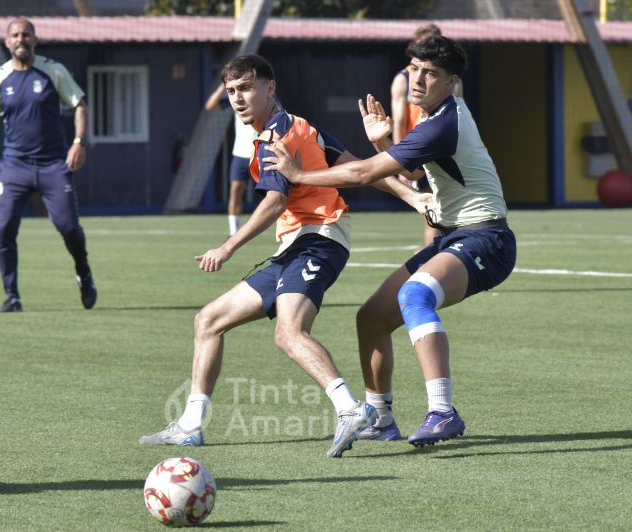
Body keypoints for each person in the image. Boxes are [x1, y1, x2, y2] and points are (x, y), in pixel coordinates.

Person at [139, 54, 430, 458]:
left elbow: (275, 201)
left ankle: (350, 410)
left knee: (288, 332)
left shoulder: (277, 136)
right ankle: (190, 426)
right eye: (231, 91)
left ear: (269, 88)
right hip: (296, 245)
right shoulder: (300, 126)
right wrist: (412, 196)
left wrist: (228, 246)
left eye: (246, 88)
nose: (238, 98)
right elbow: (360, 168)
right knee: (208, 321)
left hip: (319, 238)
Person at [264, 36, 516, 447]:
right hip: (456, 237)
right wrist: (382, 142)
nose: (417, 79)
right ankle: (379, 417)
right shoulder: (436, 117)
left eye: (430, 73)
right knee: (371, 319)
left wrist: (299, 175)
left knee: (415, 295)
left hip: (487, 239)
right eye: (413, 69)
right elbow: (413, 176)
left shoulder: (442, 122)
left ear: (451, 82)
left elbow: (363, 175)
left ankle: (443, 411)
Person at [0, 18, 96, 313]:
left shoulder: (53, 71)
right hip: (14, 167)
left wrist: (78, 142)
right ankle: (12, 296)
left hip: (52, 165)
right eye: (15, 35)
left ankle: (84, 273)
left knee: (68, 226)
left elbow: (80, 105)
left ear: (34, 39)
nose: (21, 39)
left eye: (26, 34)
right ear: (7, 42)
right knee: (4, 228)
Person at [390, 24, 463, 246]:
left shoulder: (451, 77)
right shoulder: (403, 79)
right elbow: (400, 120)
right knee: (432, 209)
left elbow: (459, 111)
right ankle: (432, 254)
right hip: (420, 149)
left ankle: (437, 254)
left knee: (450, 206)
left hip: (446, 149)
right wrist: (400, 160)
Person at [204, 83, 257, 236]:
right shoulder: (236, 101)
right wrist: (222, 86)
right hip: (240, 154)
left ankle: (285, 225)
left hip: (260, 154)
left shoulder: (262, 100)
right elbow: (210, 106)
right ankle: (234, 231)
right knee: (235, 191)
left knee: (272, 192)